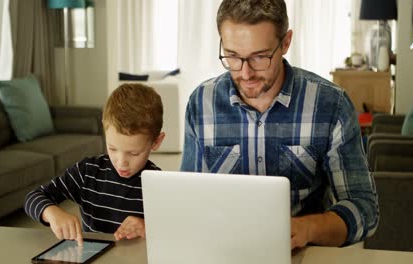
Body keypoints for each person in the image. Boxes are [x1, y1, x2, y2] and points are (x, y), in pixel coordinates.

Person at [181, 0, 379, 250]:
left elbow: (365, 209)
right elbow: (187, 200)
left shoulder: (331, 105)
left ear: (286, 43)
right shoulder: (201, 103)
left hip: (303, 254)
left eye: (259, 57)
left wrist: (307, 229)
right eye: (232, 56)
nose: (245, 73)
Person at [24, 83, 165, 245]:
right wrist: (51, 213)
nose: (121, 162)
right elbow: (33, 197)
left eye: (133, 153)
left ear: (156, 142)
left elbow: (175, 230)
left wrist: (147, 227)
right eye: (112, 148)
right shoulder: (87, 172)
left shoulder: (158, 184)